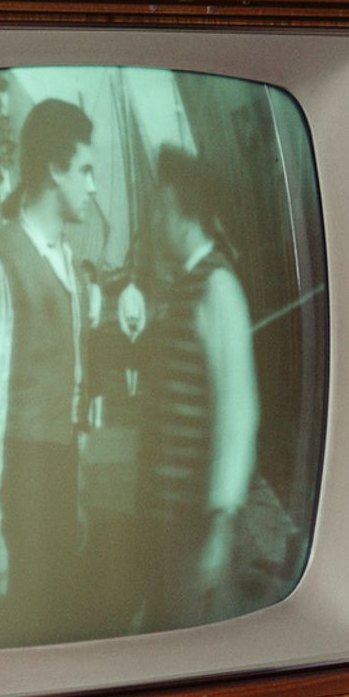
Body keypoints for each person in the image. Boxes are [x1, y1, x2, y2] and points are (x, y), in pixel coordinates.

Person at [0, 97, 97, 644]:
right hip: (18, 478)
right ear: (55, 169)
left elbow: (71, 386)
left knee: (61, 623)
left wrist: (73, 487)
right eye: (85, 170)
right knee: (21, 633)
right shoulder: (0, 259)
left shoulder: (65, 258)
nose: (91, 187)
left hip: (56, 472)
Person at [132, 146, 261, 630]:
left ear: (181, 211)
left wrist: (221, 525)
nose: (155, 221)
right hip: (165, 515)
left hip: (196, 521)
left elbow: (237, 411)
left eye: (160, 210)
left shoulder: (217, 286)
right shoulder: (182, 285)